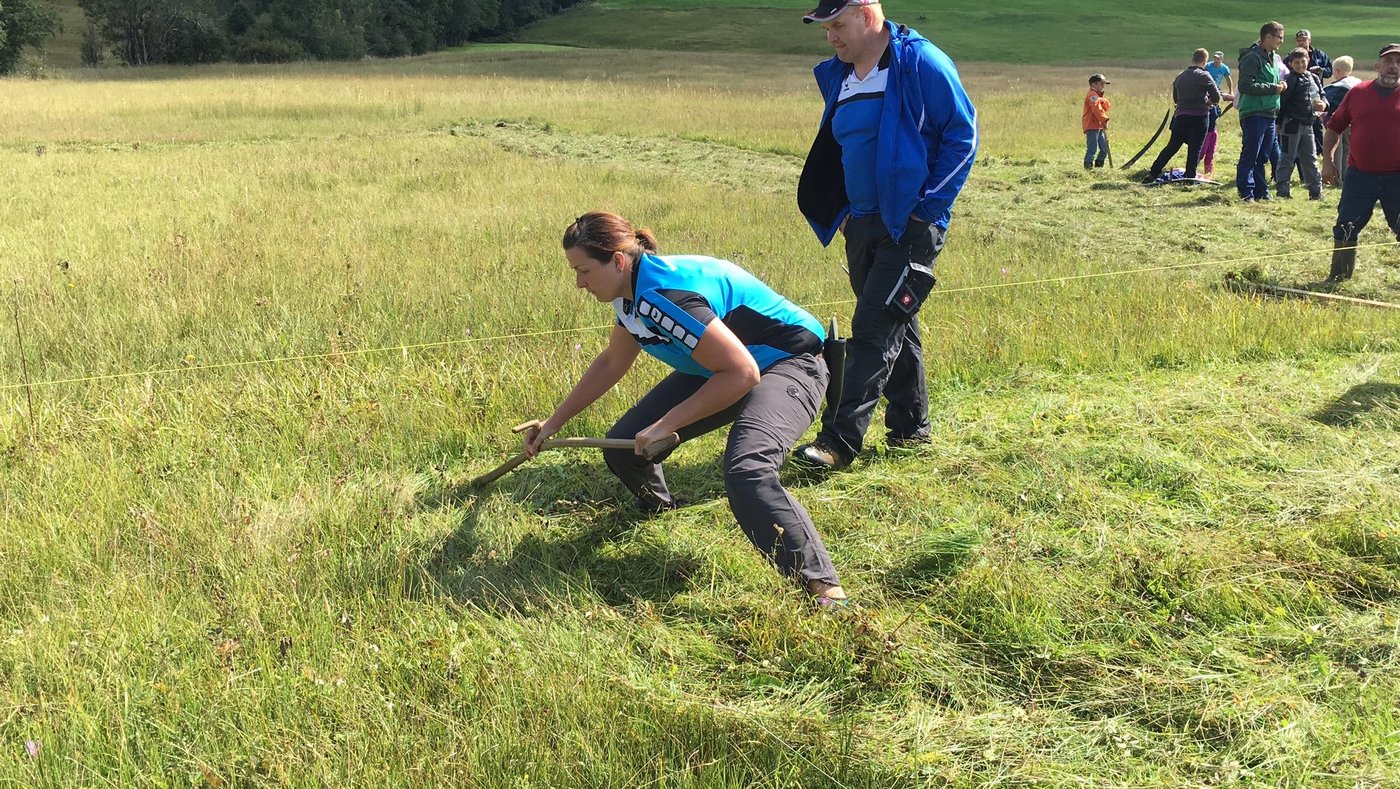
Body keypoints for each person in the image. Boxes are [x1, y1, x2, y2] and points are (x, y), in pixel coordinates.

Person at [524, 211, 849, 606]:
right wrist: (553, 424)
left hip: (788, 363)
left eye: (583, 270)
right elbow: (612, 362)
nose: (578, 283)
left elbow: (743, 373)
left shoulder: (664, 296)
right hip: (723, 366)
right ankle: (663, 510)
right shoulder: (630, 295)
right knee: (621, 446)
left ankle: (825, 590)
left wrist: (666, 424)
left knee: (748, 470)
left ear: (618, 261)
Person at [793, 0, 977, 471]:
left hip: (909, 225)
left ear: (867, 13)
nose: (831, 36)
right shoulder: (841, 76)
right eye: (825, 27)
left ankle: (839, 442)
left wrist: (927, 211)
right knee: (898, 322)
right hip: (862, 224)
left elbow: (963, 136)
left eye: (838, 24)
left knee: (872, 329)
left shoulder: (920, 63)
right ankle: (911, 429)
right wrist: (847, 215)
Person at [1321, 44, 1400, 282]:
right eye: (1388, 61)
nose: (1393, 67)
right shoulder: (1358, 93)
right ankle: (1339, 278)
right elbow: (1334, 128)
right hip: (1360, 175)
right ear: (1377, 66)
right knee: (1346, 226)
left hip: (1397, 177)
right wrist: (1328, 162)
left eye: (1398, 62)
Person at [1143, 49, 1222, 182]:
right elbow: (1216, 96)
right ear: (1204, 61)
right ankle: (1190, 176)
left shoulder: (1180, 76)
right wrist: (1209, 103)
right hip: (1199, 117)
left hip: (1181, 116)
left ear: (1192, 59)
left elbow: (1176, 99)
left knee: (1172, 146)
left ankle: (1153, 173)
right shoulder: (1204, 75)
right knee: (1195, 148)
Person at [1236, 22, 1288, 202]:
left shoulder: (1273, 57)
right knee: (1251, 154)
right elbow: (1244, 85)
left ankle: (1261, 191)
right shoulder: (1252, 57)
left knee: (1263, 156)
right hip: (1254, 112)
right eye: (1279, 37)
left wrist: (1281, 86)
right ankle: (1246, 192)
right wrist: (1273, 88)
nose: (1282, 41)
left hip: (1270, 113)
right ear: (1268, 37)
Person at [1275, 47, 1327, 199]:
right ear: (1290, 64)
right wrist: (1278, 122)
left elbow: (1322, 94)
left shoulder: (1314, 78)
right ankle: (1282, 191)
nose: (1300, 65)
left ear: (1308, 61)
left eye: (1303, 61)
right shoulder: (1290, 80)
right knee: (1287, 157)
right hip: (1291, 123)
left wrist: (1324, 105)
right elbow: (1282, 102)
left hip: (1308, 123)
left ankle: (1316, 192)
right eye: (1296, 62)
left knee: (1310, 158)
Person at [1323, 56, 1362, 186]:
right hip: (1354, 123)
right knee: (1349, 150)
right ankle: (1347, 177)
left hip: (1339, 123)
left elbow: (1329, 106)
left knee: (1337, 150)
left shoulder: (1336, 88)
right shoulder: (1358, 84)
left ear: (1338, 71)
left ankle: (1336, 178)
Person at [1296, 28, 1334, 155]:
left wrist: (1320, 70)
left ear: (1309, 40)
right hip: (1299, 95)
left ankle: (1320, 151)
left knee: (1317, 124)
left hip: (1316, 93)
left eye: (1304, 40)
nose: (1302, 43)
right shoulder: (1294, 55)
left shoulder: (1319, 55)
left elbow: (1330, 70)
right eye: (1299, 40)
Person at [1201, 51, 1234, 177]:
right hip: (1208, 91)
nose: (1216, 60)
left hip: (1216, 93)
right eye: (1214, 58)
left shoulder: (1224, 68)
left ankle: (1208, 170)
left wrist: (1231, 91)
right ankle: (1192, 167)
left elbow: (1228, 78)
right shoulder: (1208, 67)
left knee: (1211, 146)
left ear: (1221, 59)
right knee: (1203, 148)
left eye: (1218, 58)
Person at [1082, 74, 1112, 169]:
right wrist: (1104, 119)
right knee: (1092, 149)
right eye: (1101, 84)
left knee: (1104, 149)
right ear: (1093, 84)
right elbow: (1096, 109)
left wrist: (1102, 99)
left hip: (1099, 125)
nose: (1103, 86)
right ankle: (1088, 168)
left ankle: (1098, 168)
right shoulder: (1092, 95)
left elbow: (1107, 106)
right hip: (1091, 125)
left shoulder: (1098, 95)